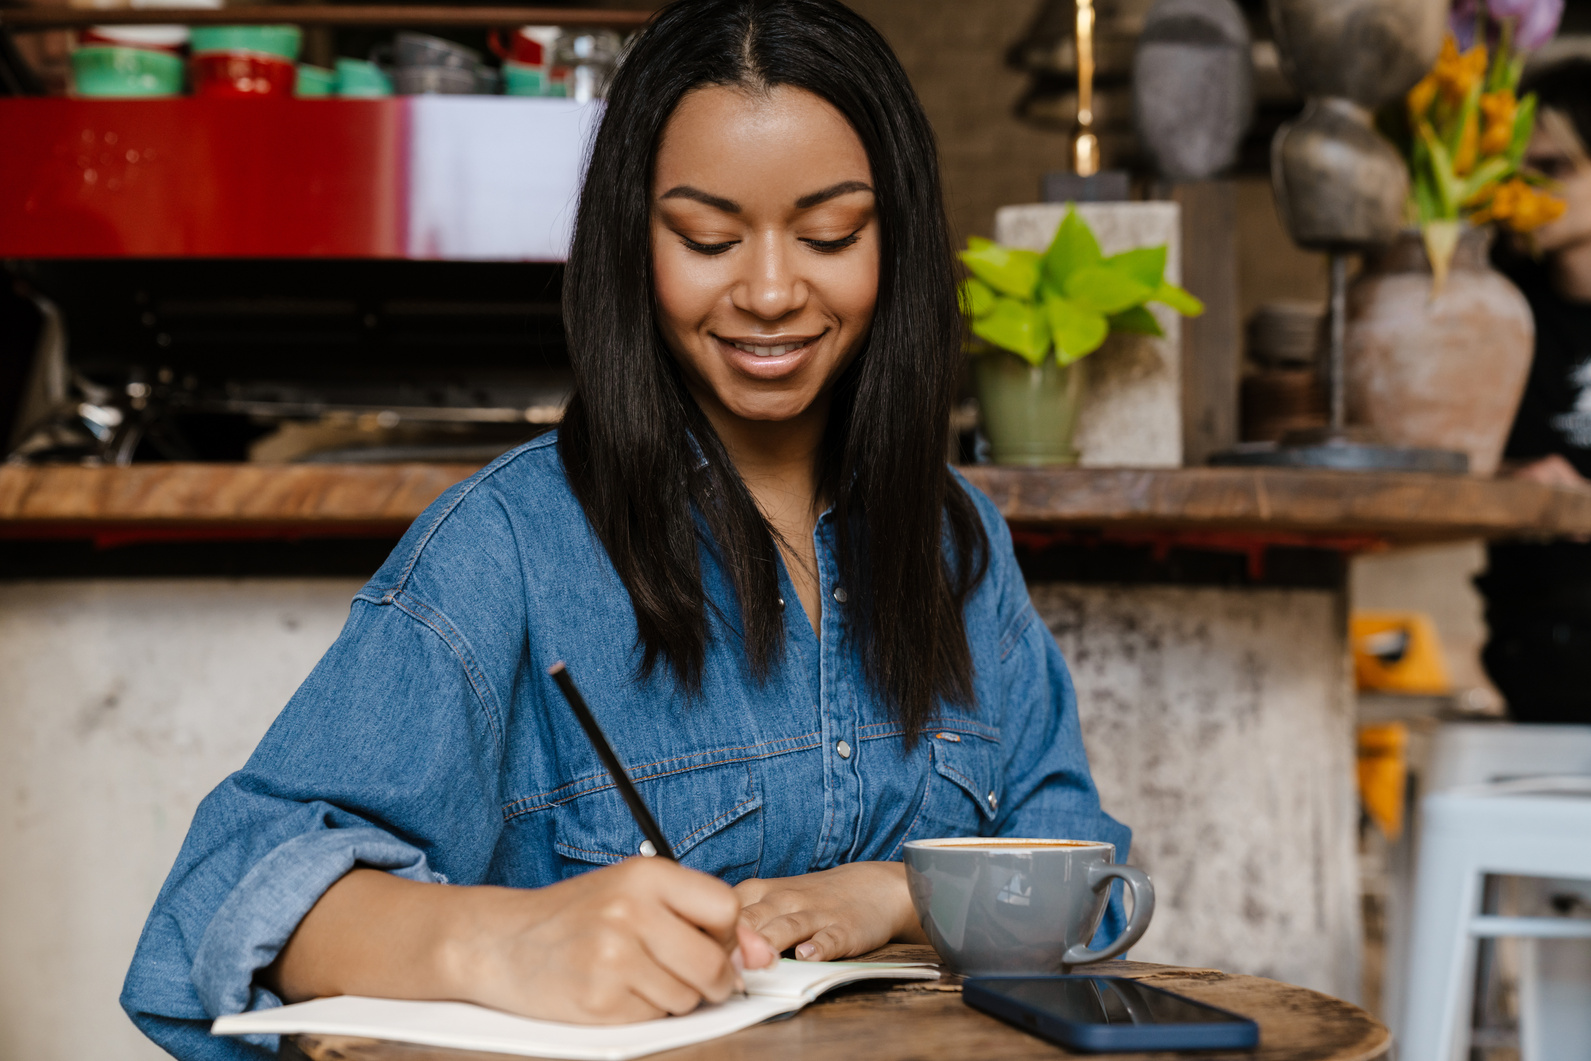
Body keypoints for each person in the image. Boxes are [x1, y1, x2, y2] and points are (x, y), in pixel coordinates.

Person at [120, 2, 1131, 1057]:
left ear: (898, 240)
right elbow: (219, 899)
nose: (773, 291)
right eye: (705, 237)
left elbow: (1089, 885)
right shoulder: (506, 546)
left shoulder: (954, 539)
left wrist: (893, 893)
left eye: (830, 234)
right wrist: (500, 940)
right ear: (631, 240)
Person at [1480, 58, 1591, 723]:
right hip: (1533, 663)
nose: (1524, 189)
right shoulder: (1495, 311)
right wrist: (1512, 482)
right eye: (1514, 171)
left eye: (1552, 168)